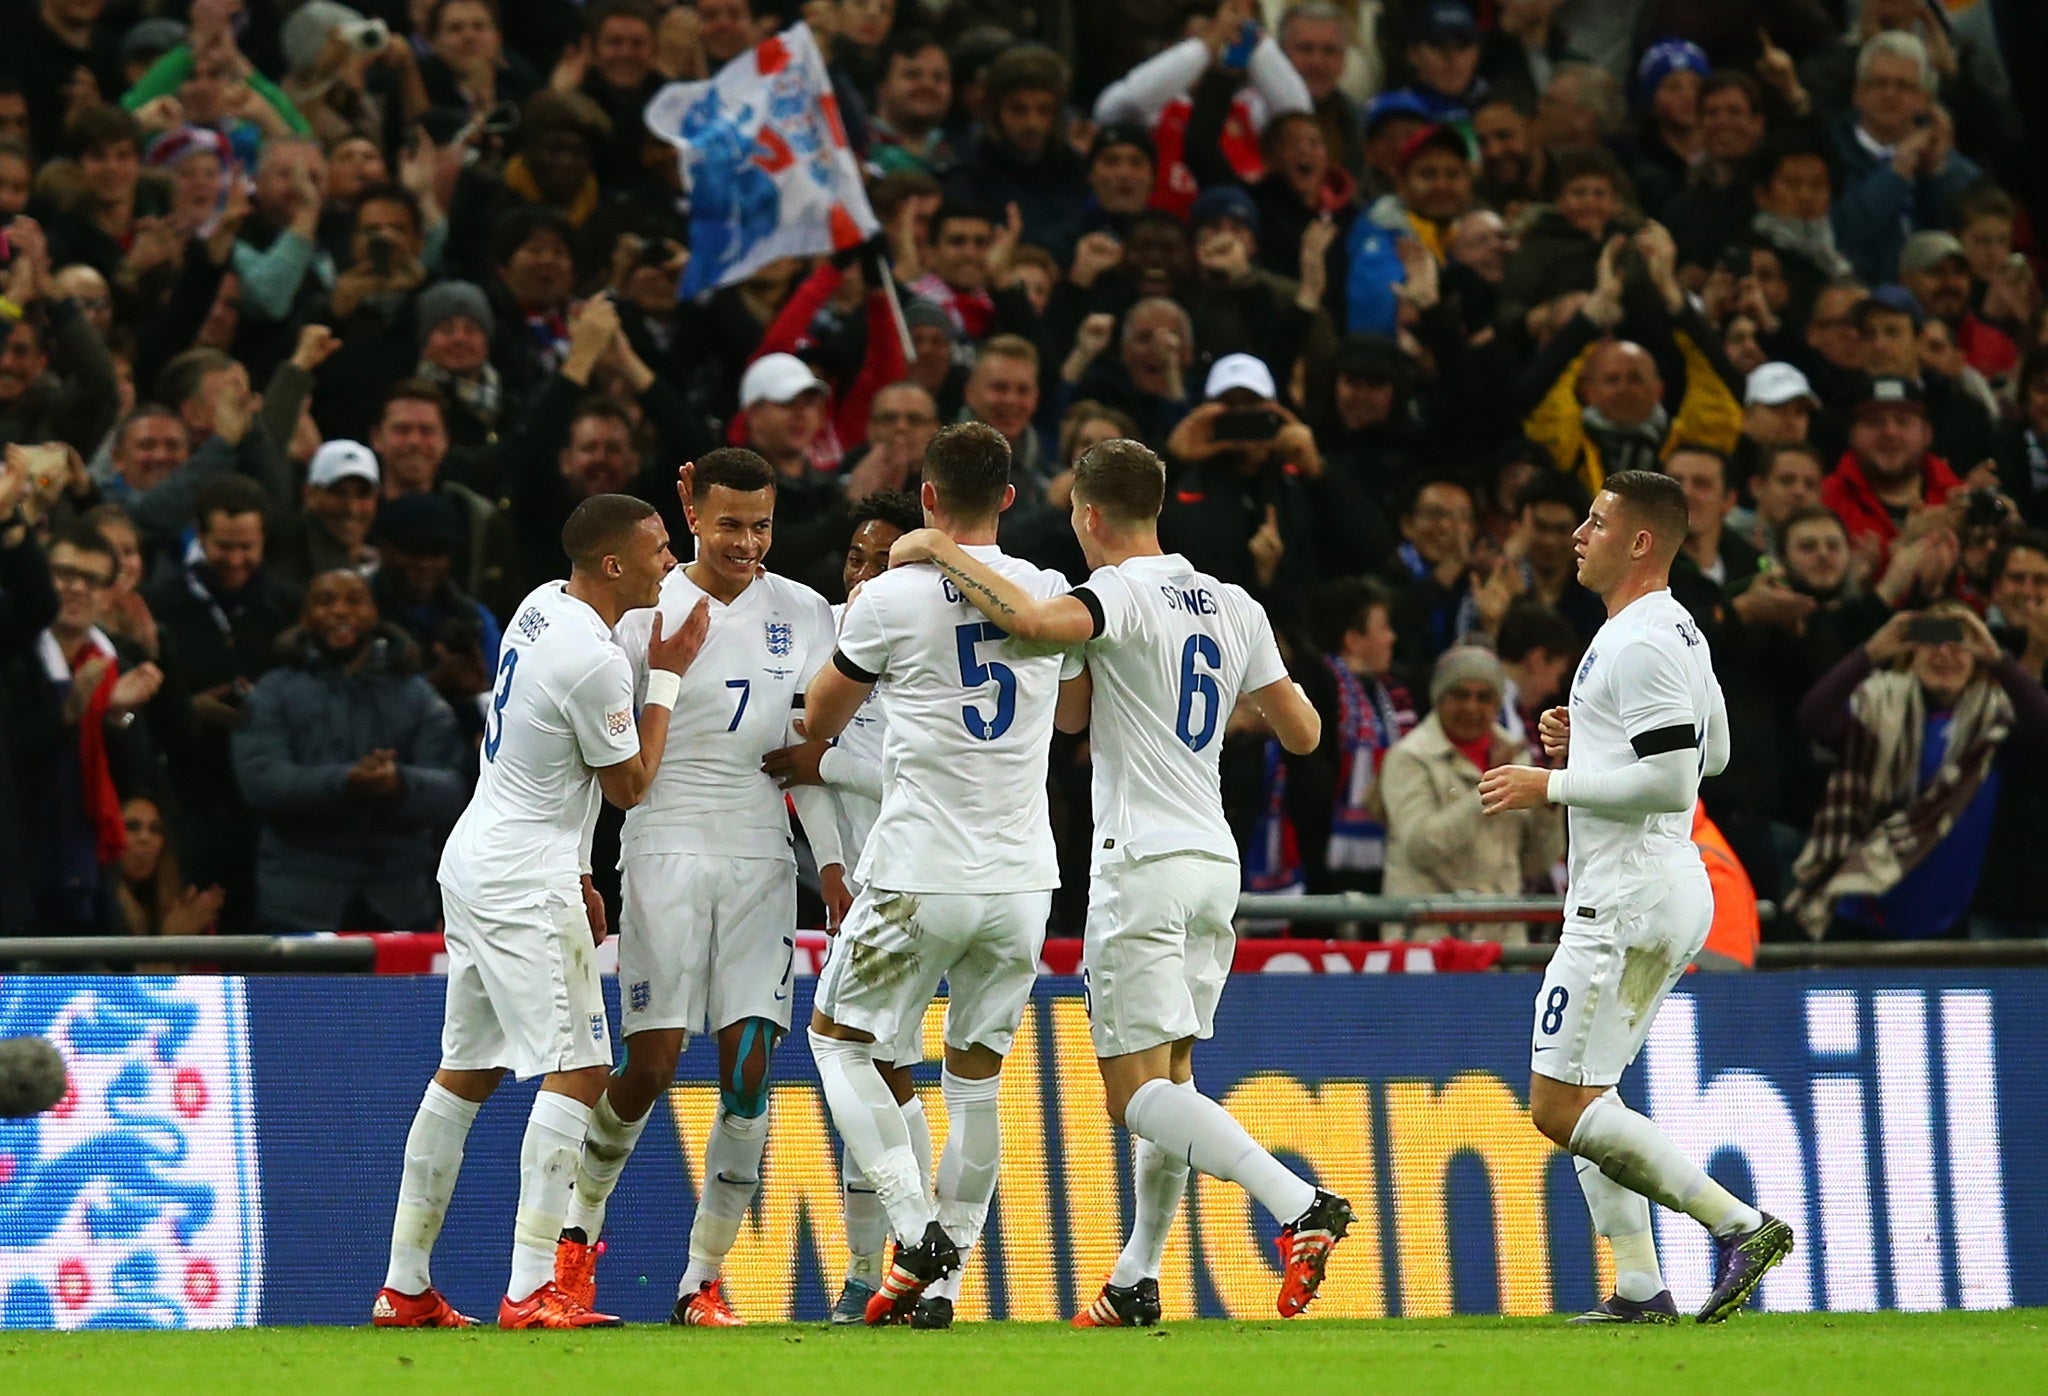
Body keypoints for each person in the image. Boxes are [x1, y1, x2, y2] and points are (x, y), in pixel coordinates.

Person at [884, 435, 1350, 1326]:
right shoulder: (1230, 601)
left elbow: (1034, 626)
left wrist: (938, 546)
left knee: (1135, 1095)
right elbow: (1304, 732)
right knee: (1174, 1077)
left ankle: (1299, 1206)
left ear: (1088, 515)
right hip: (1216, 864)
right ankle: (1136, 1277)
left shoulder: (1113, 594)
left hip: (1140, 864)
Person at [372, 493, 707, 1331]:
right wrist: (666, 674)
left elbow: (551, 766)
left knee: (469, 1070)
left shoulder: (538, 606)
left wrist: (581, 866)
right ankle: (531, 1290)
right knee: (585, 1068)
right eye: (659, 548)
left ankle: (405, 1285)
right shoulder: (595, 660)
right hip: (524, 880)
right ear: (613, 566)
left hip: (483, 859)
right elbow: (628, 785)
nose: (671, 560)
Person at [1478, 469, 1792, 1325]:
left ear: (1640, 542)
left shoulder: (1640, 642)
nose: (1579, 534)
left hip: (1625, 895)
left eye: (1596, 521)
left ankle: (1741, 1225)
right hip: (1661, 888)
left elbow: (1667, 782)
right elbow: (1711, 755)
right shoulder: (1676, 630)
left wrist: (1551, 784)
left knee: (1556, 1103)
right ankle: (1640, 1288)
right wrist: (1596, 739)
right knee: (1592, 1091)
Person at [554, 450, 847, 1328]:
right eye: (729, 525)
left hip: (761, 853)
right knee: (650, 1066)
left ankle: (702, 1279)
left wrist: (827, 862)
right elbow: (587, 754)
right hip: (663, 848)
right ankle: (575, 1242)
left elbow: (811, 752)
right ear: (691, 510)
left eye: (761, 526)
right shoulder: (640, 612)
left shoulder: (805, 613)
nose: (747, 543)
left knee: (751, 1072)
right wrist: (578, 863)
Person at [802, 422, 1084, 1328]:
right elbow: (1074, 713)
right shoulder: (1045, 588)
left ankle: (914, 1225)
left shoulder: (888, 599)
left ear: (925, 497)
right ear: (1009, 497)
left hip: (921, 865)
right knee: (976, 1081)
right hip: (1022, 880)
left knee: (839, 1040)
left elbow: (819, 716)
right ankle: (948, 1282)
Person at [756, 487, 930, 1324]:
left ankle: (909, 1257)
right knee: (873, 1066)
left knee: (874, 1065)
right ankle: (884, 1270)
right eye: (855, 558)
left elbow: (884, 774)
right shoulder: (827, 631)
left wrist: (821, 767)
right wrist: (826, 864)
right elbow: (800, 756)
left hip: (923, 879)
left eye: (883, 560)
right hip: (862, 885)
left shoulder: (928, 642)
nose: (862, 576)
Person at [1786, 602, 2048, 941]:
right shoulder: (1877, 705)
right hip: (1861, 914)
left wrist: (1998, 659)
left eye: (1959, 642)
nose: (1945, 653)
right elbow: (1814, 717)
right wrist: (1870, 653)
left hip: (1947, 924)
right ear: (1911, 651)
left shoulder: (1991, 724)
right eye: (1931, 640)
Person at [231, 569, 469, 933]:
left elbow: (454, 789)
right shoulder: (272, 692)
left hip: (400, 902)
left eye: (354, 600)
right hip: (297, 903)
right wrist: (345, 782)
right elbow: (261, 781)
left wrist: (399, 783)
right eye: (325, 601)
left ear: (374, 613)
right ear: (304, 617)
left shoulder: (417, 695)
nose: (340, 611)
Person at [1378, 643, 1563, 943]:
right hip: (1429, 941)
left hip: (1502, 944)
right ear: (1439, 698)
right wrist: (1487, 788)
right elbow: (1420, 847)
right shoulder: (1409, 757)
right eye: (1459, 695)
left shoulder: (1514, 757)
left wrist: (1549, 805)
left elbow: (1535, 863)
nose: (1471, 707)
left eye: (1484, 697)